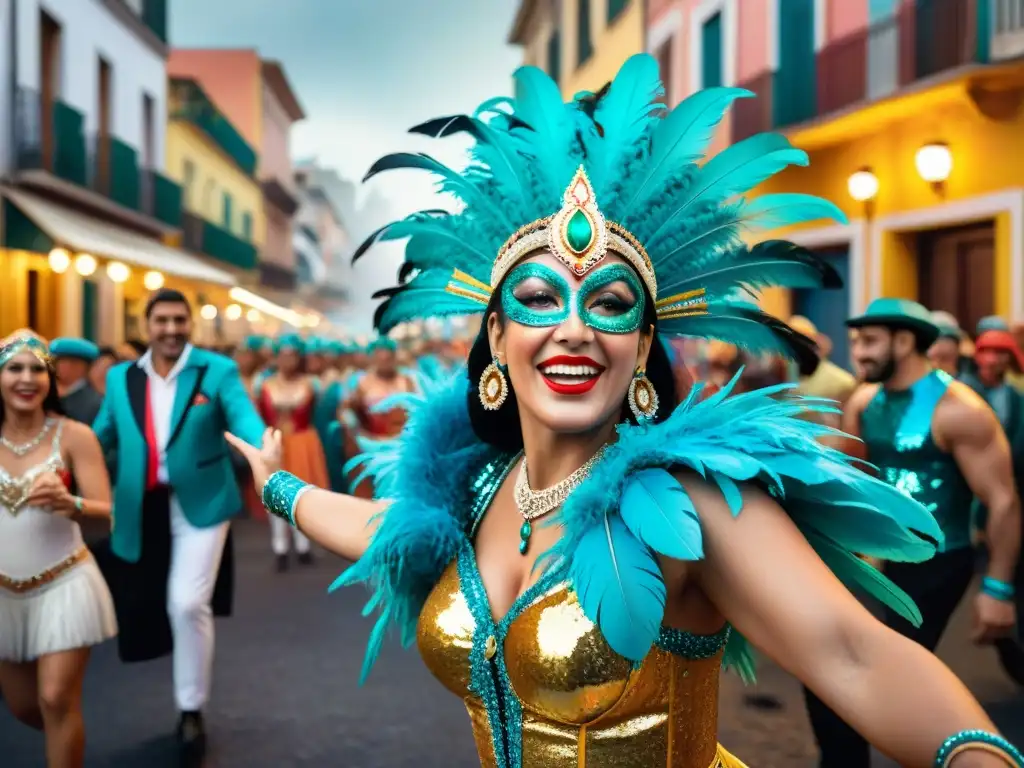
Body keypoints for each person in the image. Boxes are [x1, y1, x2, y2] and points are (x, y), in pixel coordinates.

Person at [229, 56, 1023, 768]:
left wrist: (974, 757)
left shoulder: (689, 502)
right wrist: (280, 488)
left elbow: (852, 652)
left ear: (642, 348)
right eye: (539, 300)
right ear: (497, 335)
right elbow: (390, 530)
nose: (573, 327)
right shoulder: (479, 490)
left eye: (608, 304)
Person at [803, 297, 1021, 767]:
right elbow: (845, 472)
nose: (857, 351)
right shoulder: (863, 400)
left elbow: (1002, 499)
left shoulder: (959, 411)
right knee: (828, 664)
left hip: (937, 562)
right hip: (875, 555)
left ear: (905, 342)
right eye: (856, 340)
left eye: (869, 341)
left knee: (876, 667)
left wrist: (998, 588)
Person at [91, 289, 265, 757]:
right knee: (147, 600)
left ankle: (191, 710)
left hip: (204, 502)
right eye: (162, 320)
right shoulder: (120, 377)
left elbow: (244, 420)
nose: (171, 329)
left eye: (179, 320)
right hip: (140, 505)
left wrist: (263, 449)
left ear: (190, 324)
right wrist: (55, 460)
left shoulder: (217, 370)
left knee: (187, 604)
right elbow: (99, 436)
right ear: (147, 326)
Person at [0, 332, 116, 768]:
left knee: (55, 697)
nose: (26, 379)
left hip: (64, 582)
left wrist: (72, 504)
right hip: (3, 595)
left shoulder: (74, 436)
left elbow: (108, 512)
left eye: (36, 370)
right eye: (15, 369)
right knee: (26, 708)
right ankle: (68, 738)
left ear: (50, 378)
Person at [254, 334, 328, 571]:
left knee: (301, 493)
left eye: (292, 356)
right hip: (275, 444)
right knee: (275, 492)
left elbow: (317, 413)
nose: (287, 361)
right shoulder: (264, 385)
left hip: (302, 443)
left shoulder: (311, 384)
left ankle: (303, 545)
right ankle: (280, 547)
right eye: (283, 356)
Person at [340, 337, 415, 498]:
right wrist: (356, 431)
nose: (384, 362)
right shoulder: (362, 382)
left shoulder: (406, 381)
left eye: (388, 358)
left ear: (394, 358)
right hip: (371, 449)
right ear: (373, 358)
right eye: (380, 358)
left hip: (402, 448)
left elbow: (417, 410)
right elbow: (345, 412)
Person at [50, 338, 104, 426]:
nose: (59, 366)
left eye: (63, 361)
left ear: (81, 366)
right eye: (58, 361)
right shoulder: (51, 394)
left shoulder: (94, 403)